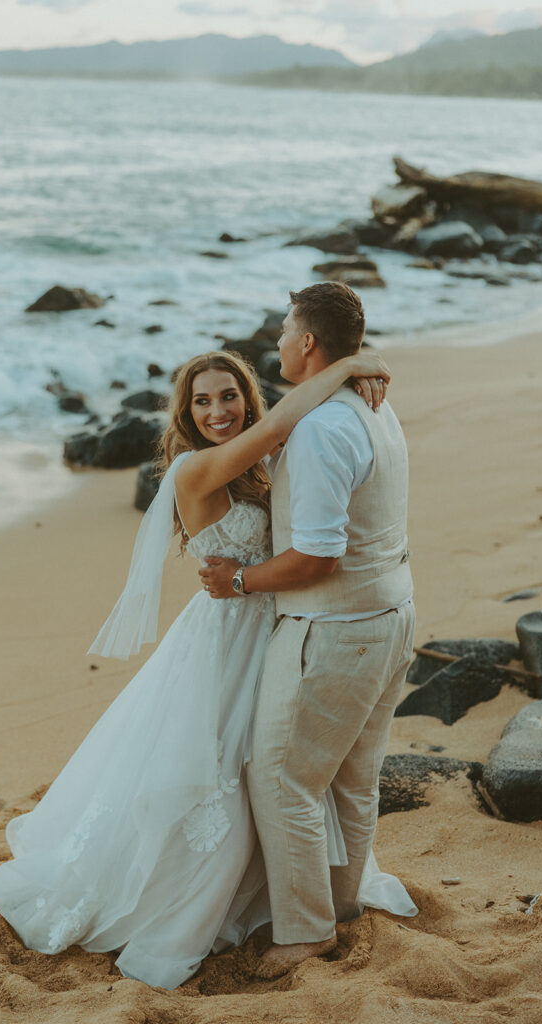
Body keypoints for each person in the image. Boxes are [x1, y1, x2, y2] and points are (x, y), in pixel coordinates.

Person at [0, 335, 413, 991]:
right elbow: (281, 421)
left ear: (245, 395)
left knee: (279, 765)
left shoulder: (260, 468)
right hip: (227, 639)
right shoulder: (193, 470)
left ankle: (291, 897)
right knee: (227, 770)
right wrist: (349, 365)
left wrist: (359, 361)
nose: (217, 410)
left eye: (229, 395)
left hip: (278, 626)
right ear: (185, 412)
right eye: (202, 400)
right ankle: (200, 906)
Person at [200, 281, 416, 979]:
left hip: (334, 630)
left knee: (283, 779)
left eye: (284, 332)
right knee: (353, 779)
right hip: (390, 616)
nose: (276, 344)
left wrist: (239, 580)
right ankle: (343, 904)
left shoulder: (322, 428)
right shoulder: (373, 406)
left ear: (306, 343)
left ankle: (304, 930)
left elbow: (315, 557)